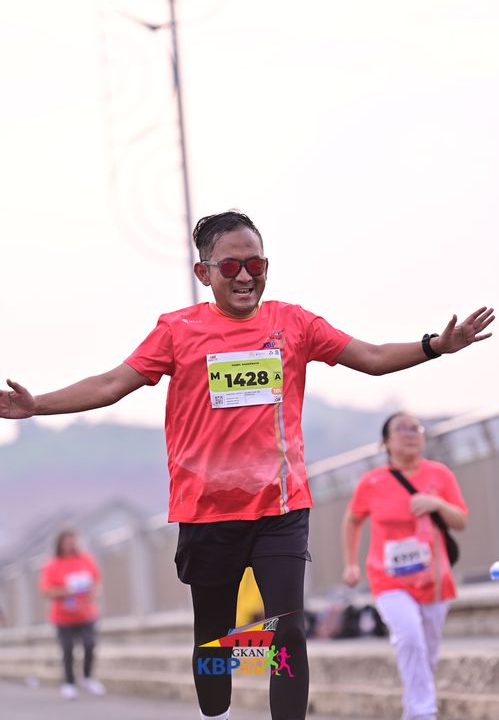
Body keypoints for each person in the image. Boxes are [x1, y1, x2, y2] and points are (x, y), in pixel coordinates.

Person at [0, 210, 493, 720]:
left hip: (280, 507)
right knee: (215, 640)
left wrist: (436, 346)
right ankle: (216, 713)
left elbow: (369, 356)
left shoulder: (293, 323)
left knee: (288, 631)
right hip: (207, 511)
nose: (245, 276)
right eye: (231, 266)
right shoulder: (177, 330)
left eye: (255, 264)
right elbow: (110, 385)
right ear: (204, 273)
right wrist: (37, 406)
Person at [342, 412, 469, 720]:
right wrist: (350, 564)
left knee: (427, 654)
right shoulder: (372, 481)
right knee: (410, 637)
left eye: (416, 428)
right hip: (389, 579)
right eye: (401, 429)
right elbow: (352, 520)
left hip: (434, 580)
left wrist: (438, 504)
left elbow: (461, 521)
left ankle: (413, 711)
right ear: (385, 442)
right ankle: (424, 714)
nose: (411, 433)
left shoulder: (440, 474)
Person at [39, 528, 106, 700]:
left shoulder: (85, 559)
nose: (70, 544)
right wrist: (67, 591)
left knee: (90, 644)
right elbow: (46, 591)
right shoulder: (52, 565)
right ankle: (69, 683)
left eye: (72, 541)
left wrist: (93, 593)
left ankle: (88, 678)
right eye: (66, 541)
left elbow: (97, 581)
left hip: (86, 613)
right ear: (60, 544)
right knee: (67, 649)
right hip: (63, 616)